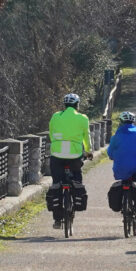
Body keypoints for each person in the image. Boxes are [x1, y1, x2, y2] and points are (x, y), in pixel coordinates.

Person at [48, 93, 94, 229]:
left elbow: (51, 133)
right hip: (74, 155)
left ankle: (57, 220)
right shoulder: (82, 118)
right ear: (77, 105)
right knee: (76, 178)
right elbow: (86, 135)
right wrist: (89, 151)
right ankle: (75, 195)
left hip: (57, 154)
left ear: (65, 105)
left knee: (56, 184)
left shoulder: (55, 116)